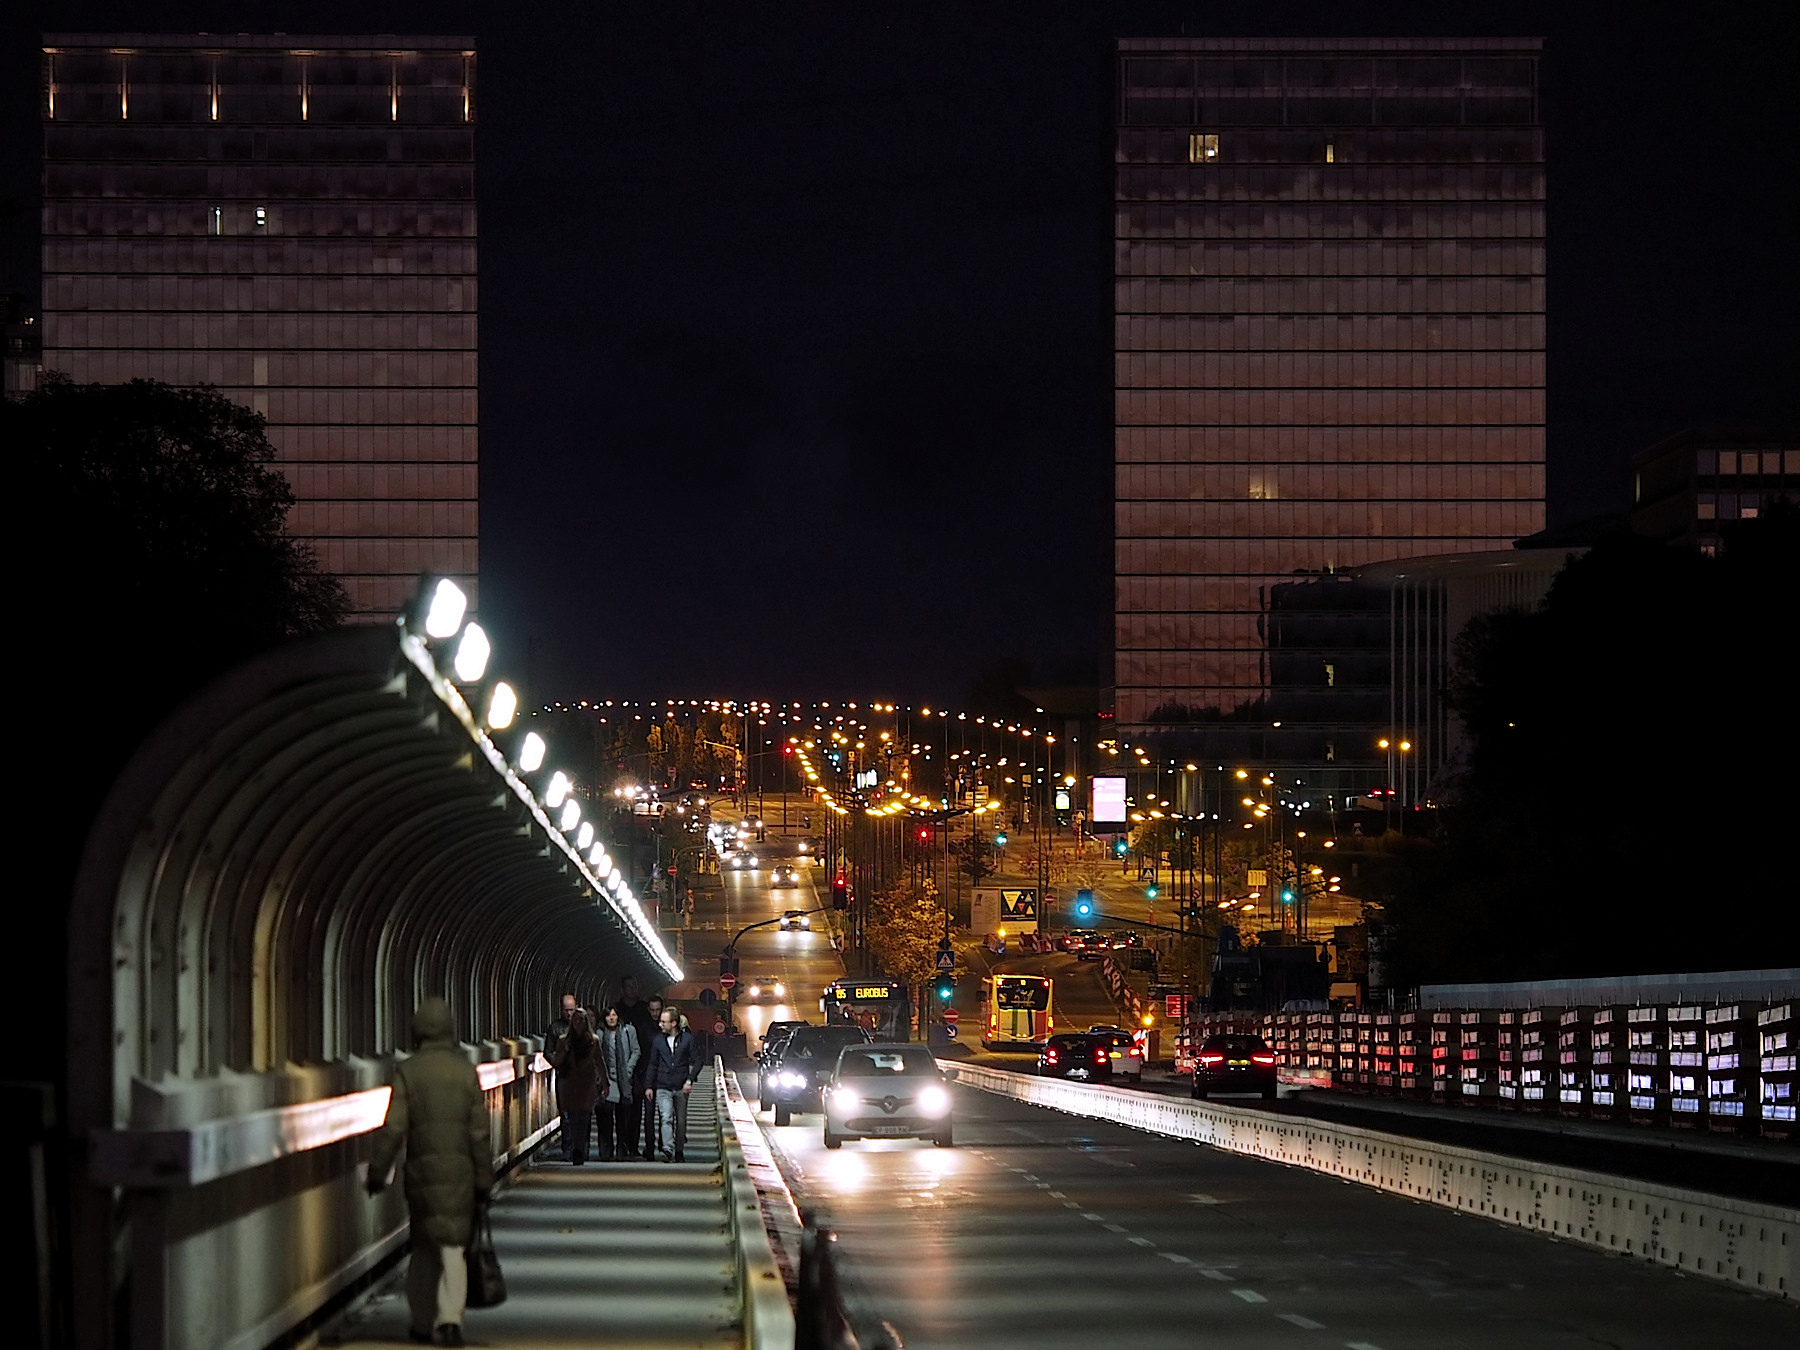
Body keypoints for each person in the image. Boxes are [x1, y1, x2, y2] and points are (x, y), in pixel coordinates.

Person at [367, 997, 493, 1348]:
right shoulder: (464, 1071)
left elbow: (393, 1128)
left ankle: (421, 1322)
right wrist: (484, 1176)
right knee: (454, 1245)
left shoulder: (409, 1071)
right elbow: (478, 1132)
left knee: (423, 1247)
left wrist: (378, 1171)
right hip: (460, 1173)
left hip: (421, 1172)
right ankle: (451, 1318)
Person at [643, 1006, 701, 1162]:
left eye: (664, 1022)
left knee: (681, 1121)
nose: (660, 1024)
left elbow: (698, 1061)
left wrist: (689, 1080)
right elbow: (653, 1064)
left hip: (681, 1086)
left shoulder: (687, 1040)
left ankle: (679, 1150)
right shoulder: (658, 1041)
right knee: (666, 1117)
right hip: (663, 1085)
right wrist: (649, 1085)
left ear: (674, 1023)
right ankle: (667, 1150)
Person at [550, 1009, 606, 1165]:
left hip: (587, 1083)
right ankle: (577, 1148)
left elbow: (599, 1062)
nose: (578, 1024)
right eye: (575, 1020)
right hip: (570, 1082)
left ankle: (580, 1147)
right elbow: (556, 1061)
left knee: (584, 1116)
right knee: (573, 1117)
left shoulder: (593, 1041)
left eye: (581, 1020)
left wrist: (605, 1083)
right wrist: (565, 1052)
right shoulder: (563, 1041)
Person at [612, 978, 657, 1159]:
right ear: (623, 989)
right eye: (629, 986)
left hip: (640, 1064)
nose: (632, 989)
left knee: (637, 1107)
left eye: (635, 986)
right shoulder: (617, 1008)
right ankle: (621, 1145)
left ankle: (633, 1144)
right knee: (621, 1107)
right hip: (619, 1062)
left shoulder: (643, 1009)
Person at [596, 1005, 639, 1161]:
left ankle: (622, 1148)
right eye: (608, 1016)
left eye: (614, 1015)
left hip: (623, 1079)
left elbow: (636, 1050)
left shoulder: (628, 1031)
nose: (611, 1018)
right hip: (606, 1078)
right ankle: (606, 1149)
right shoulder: (600, 1034)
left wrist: (628, 1070)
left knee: (623, 1116)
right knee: (605, 1114)